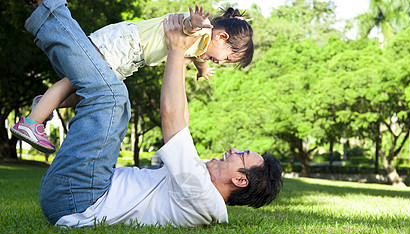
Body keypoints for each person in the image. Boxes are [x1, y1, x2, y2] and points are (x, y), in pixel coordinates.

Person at [23, 0, 282, 228]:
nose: (232, 150)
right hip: (80, 190)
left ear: (240, 179)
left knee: (113, 97)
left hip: (79, 199)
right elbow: (183, 124)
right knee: (108, 92)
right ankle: (46, 100)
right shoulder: (201, 187)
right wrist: (180, 58)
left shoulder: (202, 194)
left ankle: (49, 9)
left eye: (240, 155)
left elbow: (173, 122)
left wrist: (176, 49)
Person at [11, 3, 254, 154]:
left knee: (87, 92)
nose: (221, 63)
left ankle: (44, 103)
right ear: (221, 37)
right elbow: (188, 28)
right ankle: (31, 123)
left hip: (130, 60)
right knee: (77, 80)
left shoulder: (202, 47)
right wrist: (196, 23)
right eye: (227, 58)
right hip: (124, 44)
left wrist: (202, 69)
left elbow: (198, 54)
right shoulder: (201, 31)